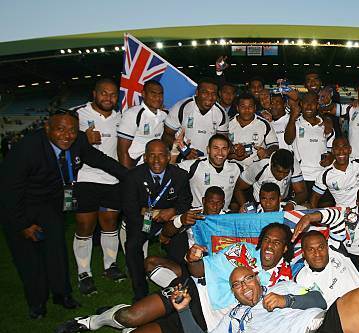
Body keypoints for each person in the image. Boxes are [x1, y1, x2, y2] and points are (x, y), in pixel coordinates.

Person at [1, 109, 126, 319]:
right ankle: (37, 303)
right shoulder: (27, 148)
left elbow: (100, 159)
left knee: (56, 252)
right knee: (30, 259)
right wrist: (24, 224)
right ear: (47, 128)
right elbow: (9, 192)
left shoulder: (77, 142)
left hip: (50, 205)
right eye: (60, 129)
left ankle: (62, 294)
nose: (67, 135)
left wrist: (130, 176)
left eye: (72, 130)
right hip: (21, 207)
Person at [71, 78, 126, 295]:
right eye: (104, 93)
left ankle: (109, 266)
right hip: (86, 178)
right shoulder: (78, 115)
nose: (108, 98)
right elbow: (62, 138)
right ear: (94, 94)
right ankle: (84, 272)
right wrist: (82, 137)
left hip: (113, 180)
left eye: (113, 95)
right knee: (85, 225)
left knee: (110, 222)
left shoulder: (121, 118)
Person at [121, 139, 192, 301]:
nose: (156, 160)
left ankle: (179, 284)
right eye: (152, 156)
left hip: (169, 221)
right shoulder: (133, 176)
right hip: (143, 221)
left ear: (168, 157)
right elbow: (130, 209)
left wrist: (173, 211)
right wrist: (150, 218)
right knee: (132, 246)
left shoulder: (179, 175)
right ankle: (140, 291)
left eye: (161, 156)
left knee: (180, 249)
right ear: (145, 157)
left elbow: (185, 202)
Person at [163, 78, 229, 159]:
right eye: (205, 92)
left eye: (213, 93)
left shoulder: (221, 113)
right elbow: (166, 136)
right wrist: (185, 150)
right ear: (197, 92)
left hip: (208, 162)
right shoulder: (182, 107)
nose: (210, 97)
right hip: (183, 158)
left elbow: (222, 142)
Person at [284, 92, 334, 198]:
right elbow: (288, 140)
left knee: (321, 210)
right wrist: (292, 118)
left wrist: (330, 157)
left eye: (312, 103)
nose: (309, 106)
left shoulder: (326, 126)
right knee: (300, 210)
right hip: (300, 177)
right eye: (306, 103)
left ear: (317, 105)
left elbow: (331, 150)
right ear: (301, 104)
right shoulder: (295, 123)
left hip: (321, 176)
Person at [177, 133, 242, 211]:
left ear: (228, 151)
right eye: (216, 148)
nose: (220, 153)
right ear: (208, 149)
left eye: (224, 149)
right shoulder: (195, 165)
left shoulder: (236, 168)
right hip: (197, 217)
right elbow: (169, 171)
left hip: (223, 218)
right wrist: (175, 151)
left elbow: (254, 174)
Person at [117, 80, 166, 168]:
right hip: (135, 166)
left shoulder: (163, 115)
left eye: (160, 94)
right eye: (153, 94)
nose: (157, 98)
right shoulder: (133, 114)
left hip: (155, 166)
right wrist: (128, 176)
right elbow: (122, 151)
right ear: (143, 94)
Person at [234, 149, 307, 207]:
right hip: (260, 203)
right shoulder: (259, 167)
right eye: (279, 171)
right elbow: (238, 188)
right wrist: (246, 207)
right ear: (271, 164)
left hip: (283, 201)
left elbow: (302, 192)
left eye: (286, 173)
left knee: (307, 206)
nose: (282, 176)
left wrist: (292, 203)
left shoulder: (293, 163)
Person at [228, 92, 279, 167]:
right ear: (237, 108)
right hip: (231, 169)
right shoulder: (228, 124)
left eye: (250, 106)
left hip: (255, 170)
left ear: (255, 107)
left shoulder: (264, 124)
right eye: (243, 107)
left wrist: (266, 152)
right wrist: (232, 152)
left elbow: (274, 145)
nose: (247, 110)